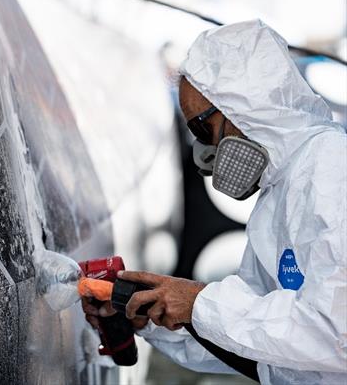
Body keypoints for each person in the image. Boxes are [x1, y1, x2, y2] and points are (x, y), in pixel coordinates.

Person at [84, 19, 346, 383]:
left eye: (203, 130)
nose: (204, 154)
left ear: (246, 105)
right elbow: (262, 344)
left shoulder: (330, 165)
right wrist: (153, 314)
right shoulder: (278, 193)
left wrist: (197, 303)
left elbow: (337, 332)